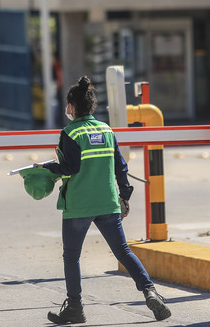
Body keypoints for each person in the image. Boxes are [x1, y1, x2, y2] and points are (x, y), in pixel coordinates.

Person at [40, 76, 171, 324]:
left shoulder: (70, 132)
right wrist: (125, 196)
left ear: (71, 106)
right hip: (107, 201)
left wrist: (47, 168)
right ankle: (150, 291)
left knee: (71, 256)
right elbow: (121, 167)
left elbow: (70, 167)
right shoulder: (106, 130)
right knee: (122, 251)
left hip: (79, 204)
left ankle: (75, 308)